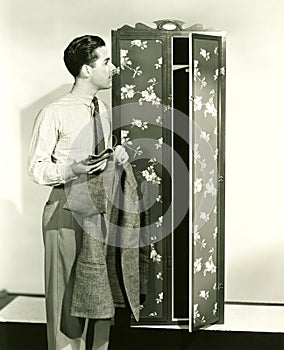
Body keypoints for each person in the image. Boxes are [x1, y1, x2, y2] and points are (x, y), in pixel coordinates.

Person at [28, 35, 149, 350]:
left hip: (100, 207)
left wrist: (117, 155)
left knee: (98, 289)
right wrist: (72, 169)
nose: (113, 68)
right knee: (66, 296)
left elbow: (102, 157)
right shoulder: (54, 112)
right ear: (85, 69)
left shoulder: (103, 109)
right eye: (106, 62)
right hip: (65, 208)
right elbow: (36, 168)